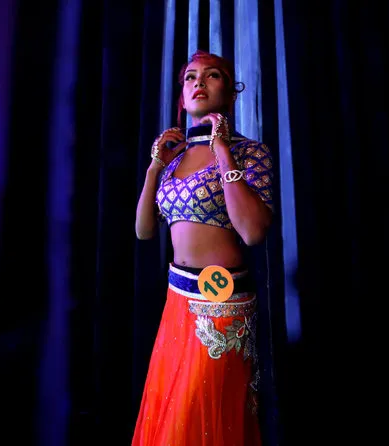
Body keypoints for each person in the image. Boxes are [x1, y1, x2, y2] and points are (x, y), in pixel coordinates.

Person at [132, 49, 274, 445]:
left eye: (212, 76)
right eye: (191, 77)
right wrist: (154, 168)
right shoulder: (174, 161)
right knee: (175, 414)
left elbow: (253, 233)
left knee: (203, 417)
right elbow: (145, 231)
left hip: (222, 305)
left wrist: (223, 149)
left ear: (230, 92)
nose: (199, 83)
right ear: (182, 97)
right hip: (176, 299)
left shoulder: (250, 153)